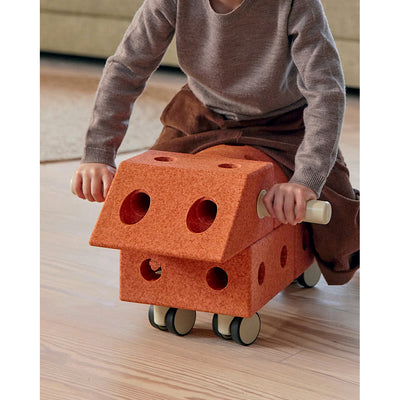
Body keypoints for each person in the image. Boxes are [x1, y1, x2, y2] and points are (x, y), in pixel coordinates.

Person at [71, 0, 359, 285]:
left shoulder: (298, 3)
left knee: (341, 232)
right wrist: (98, 153)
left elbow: (325, 90)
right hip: (201, 114)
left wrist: (306, 180)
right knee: (154, 193)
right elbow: (126, 69)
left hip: (286, 123)